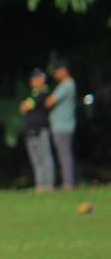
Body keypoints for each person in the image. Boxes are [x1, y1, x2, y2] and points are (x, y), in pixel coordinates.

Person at [19, 68, 56, 193]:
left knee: (46, 158)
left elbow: (27, 106)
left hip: (41, 130)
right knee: (36, 160)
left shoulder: (44, 94)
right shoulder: (33, 94)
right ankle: (40, 184)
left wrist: (26, 106)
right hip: (30, 131)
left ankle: (49, 184)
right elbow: (22, 108)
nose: (34, 81)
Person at [45, 58, 77, 190]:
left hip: (63, 125)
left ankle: (68, 183)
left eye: (57, 72)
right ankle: (69, 181)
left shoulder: (66, 85)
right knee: (65, 154)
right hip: (62, 125)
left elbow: (49, 102)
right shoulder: (68, 84)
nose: (55, 75)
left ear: (64, 71)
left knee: (64, 155)